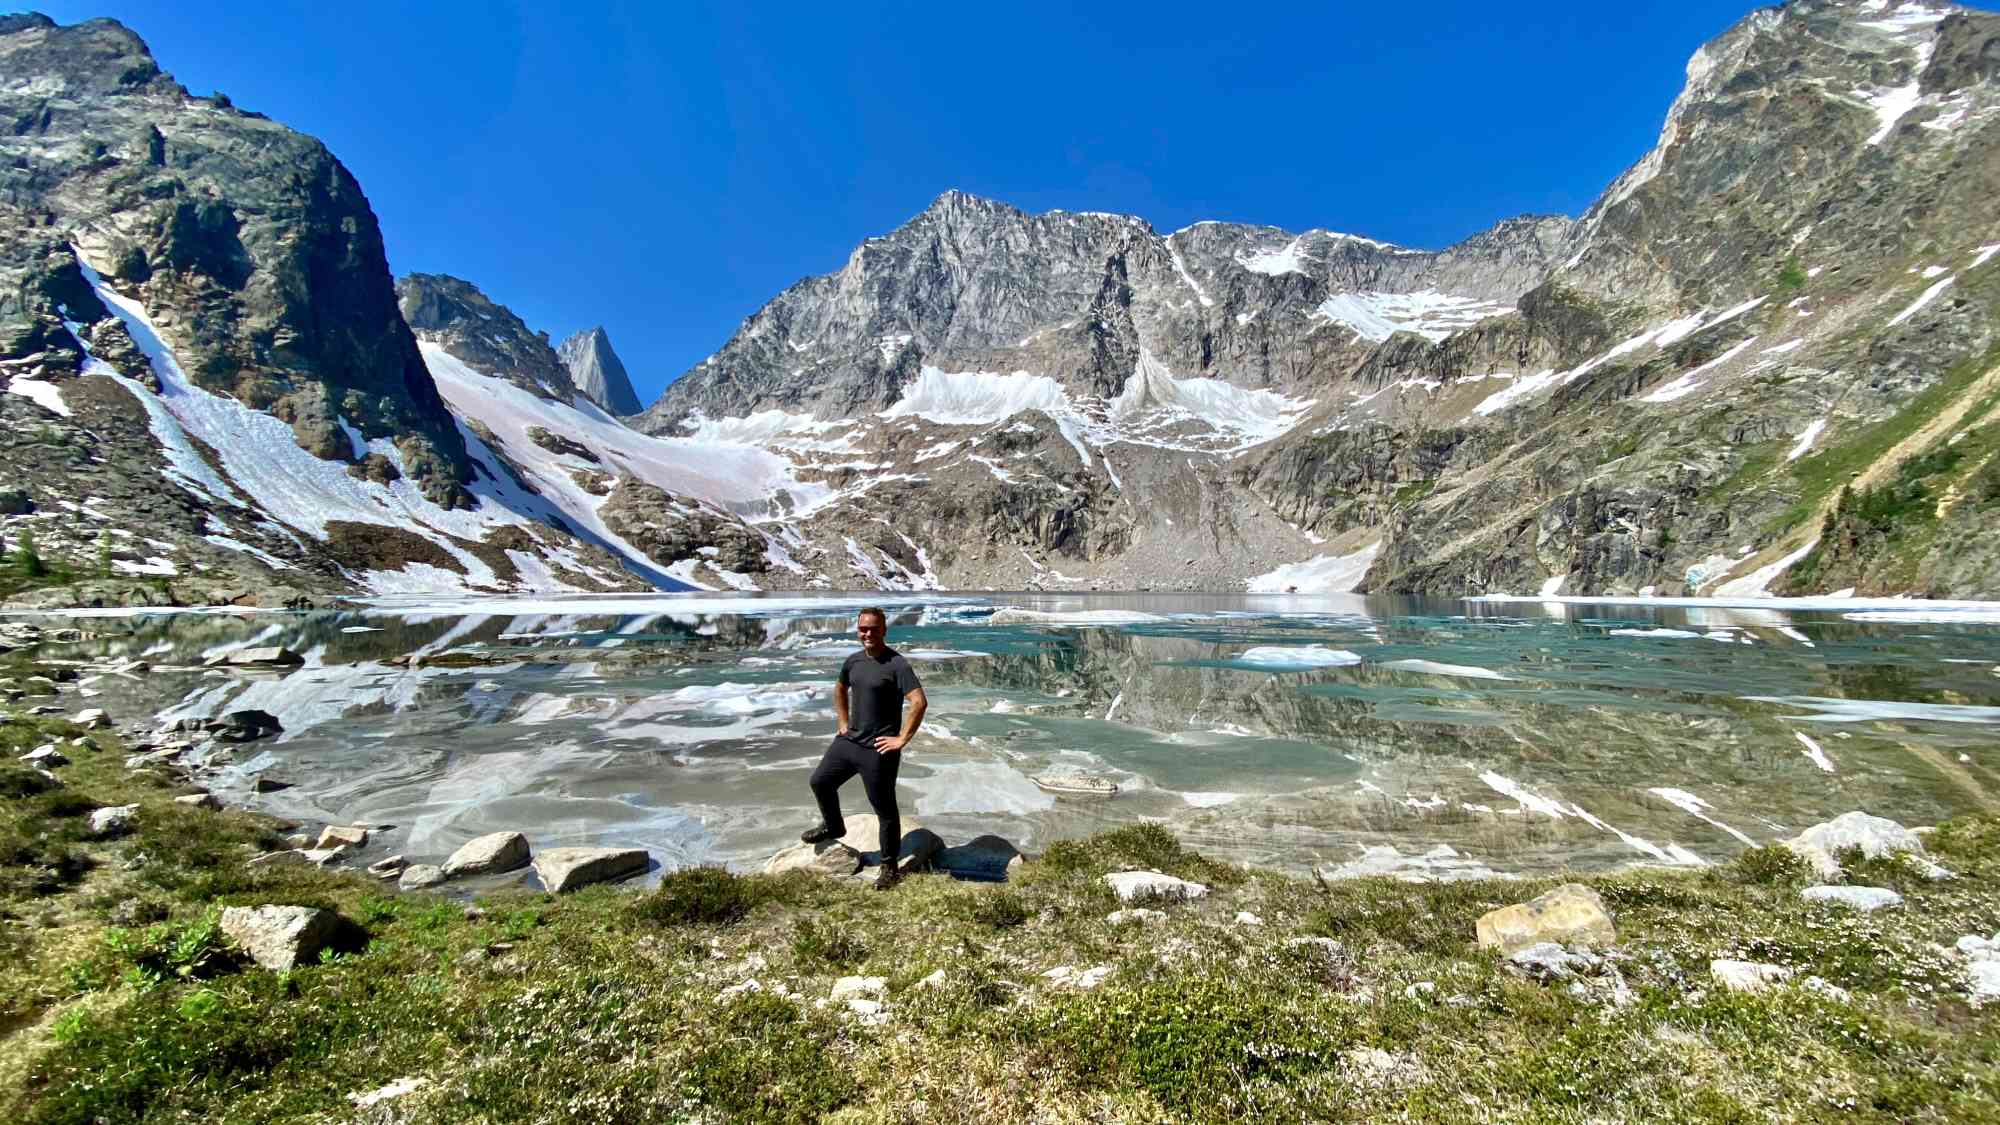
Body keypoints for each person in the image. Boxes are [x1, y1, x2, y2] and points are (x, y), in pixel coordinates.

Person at [800, 606, 927, 889]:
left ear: (884, 630)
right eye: (863, 629)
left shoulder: (897, 664)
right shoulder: (853, 661)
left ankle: (889, 867)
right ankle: (833, 826)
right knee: (820, 781)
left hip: (878, 750)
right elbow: (840, 687)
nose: (867, 633)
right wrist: (843, 721)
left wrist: (901, 739)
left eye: (873, 629)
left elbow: (919, 702)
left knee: (884, 810)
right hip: (850, 741)